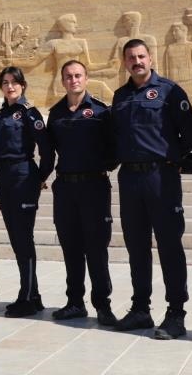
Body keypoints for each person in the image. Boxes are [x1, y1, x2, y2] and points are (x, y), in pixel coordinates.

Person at [109, 38, 192, 338]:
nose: (137, 61)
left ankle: (176, 313)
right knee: (137, 246)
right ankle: (140, 309)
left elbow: (190, 132)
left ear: (150, 58)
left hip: (161, 178)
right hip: (130, 179)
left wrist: (171, 156)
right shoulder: (120, 96)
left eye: (141, 56)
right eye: (131, 57)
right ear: (125, 62)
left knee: (170, 245)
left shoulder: (169, 91)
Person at [39, 60, 117, 326]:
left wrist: (100, 167)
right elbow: (50, 151)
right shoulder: (56, 113)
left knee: (96, 248)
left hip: (94, 187)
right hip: (66, 189)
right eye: (68, 76)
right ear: (63, 81)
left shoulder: (100, 111)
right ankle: (75, 302)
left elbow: (113, 148)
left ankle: (103, 305)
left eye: (78, 75)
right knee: (70, 248)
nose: (73, 80)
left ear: (86, 78)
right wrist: (40, 177)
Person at [0, 66, 46, 318]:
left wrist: (39, 178)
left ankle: (26, 298)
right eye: (5, 82)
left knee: (24, 238)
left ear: (22, 85)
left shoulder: (29, 113)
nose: (10, 86)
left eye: (14, 82)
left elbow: (47, 150)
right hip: (5, 178)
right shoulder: (1, 115)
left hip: (24, 176)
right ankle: (33, 295)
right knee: (16, 239)